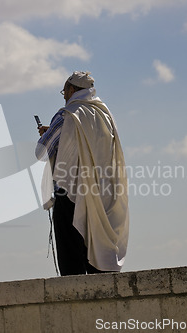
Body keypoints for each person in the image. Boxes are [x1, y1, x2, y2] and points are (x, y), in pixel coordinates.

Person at [35, 71, 129, 276]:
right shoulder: (105, 114)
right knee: (97, 248)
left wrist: (50, 133)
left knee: (71, 256)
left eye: (64, 92)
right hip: (102, 194)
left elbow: (42, 152)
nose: (64, 96)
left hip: (70, 195)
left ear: (71, 89)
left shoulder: (66, 115)